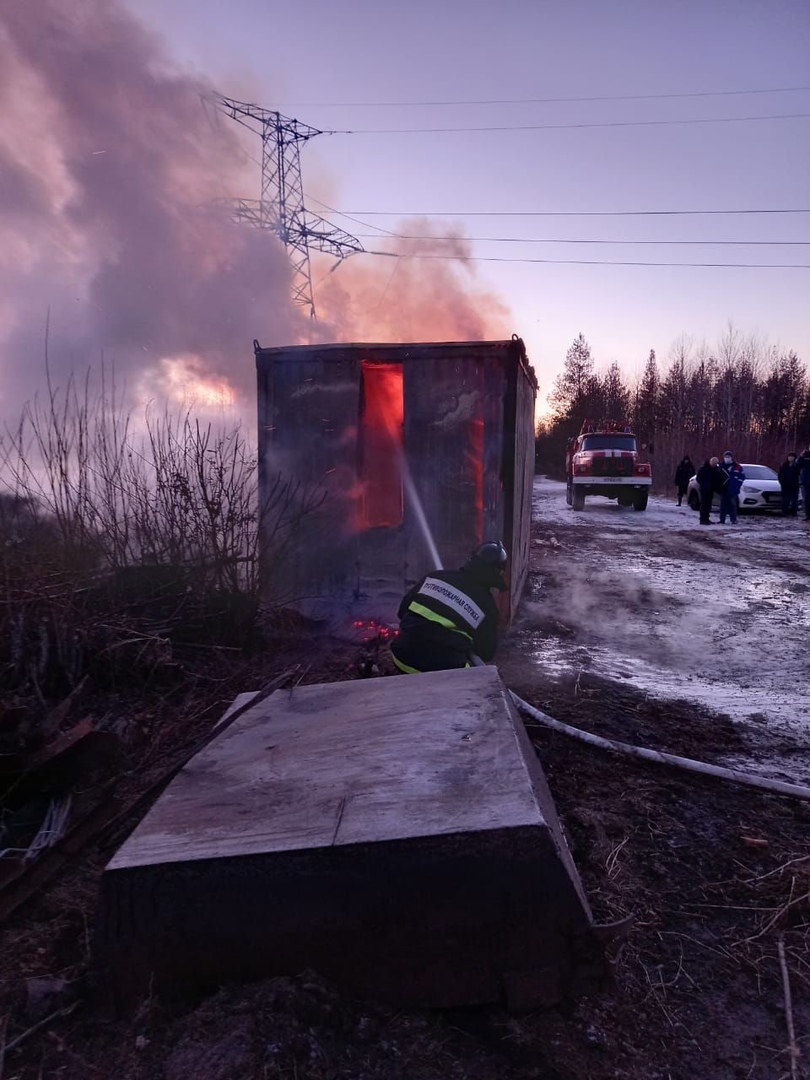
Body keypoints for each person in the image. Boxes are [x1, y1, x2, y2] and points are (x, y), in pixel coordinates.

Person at [390, 541, 507, 674]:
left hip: (402, 658)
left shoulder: (435, 576)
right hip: (444, 674)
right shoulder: (489, 607)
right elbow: (486, 653)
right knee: (476, 667)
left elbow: (402, 611)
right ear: (497, 575)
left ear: (471, 560)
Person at [695, 457, 724, 524]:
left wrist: (717, 488)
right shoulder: (704, 468)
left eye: (716, 464)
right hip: (704, 489)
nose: (714, 465)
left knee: (708, 504)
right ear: (710, 462)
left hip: (711, 489)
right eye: (713, 463)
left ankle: (707, 518)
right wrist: (703, 485)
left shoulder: (716, 470)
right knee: (704, 504)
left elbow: (717, 479)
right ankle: (702, 519)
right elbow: (698, 478)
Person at [719, 451, 745, 524]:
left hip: (733, 489)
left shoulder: (737, 466)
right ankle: (722, 520)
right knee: (723, 505)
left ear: (731, 457)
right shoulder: (721, 466)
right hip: (723, 488)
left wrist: (737, 486)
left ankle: (733, 519)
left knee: (732, 504)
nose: (727, 458)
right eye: (726, 457)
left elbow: (742, 477)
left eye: (728, 457)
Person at [778, 453, 801, 517]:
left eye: (792, 457)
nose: (790, 458)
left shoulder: (797, 466)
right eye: (789, 457)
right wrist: (782, 482)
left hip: (794, 486)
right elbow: (780, 475)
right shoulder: (784, 465)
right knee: (785, 500)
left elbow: (799, 475)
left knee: (794, 501)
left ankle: (794, 512)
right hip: (785, 485)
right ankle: (784, 512)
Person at [799, 448, 810, 522]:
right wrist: (801, 455)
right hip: (806, 482)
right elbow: (798, 463)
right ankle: (808, 515)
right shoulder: (804, 458)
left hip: (806, 481)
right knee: (806, 500)